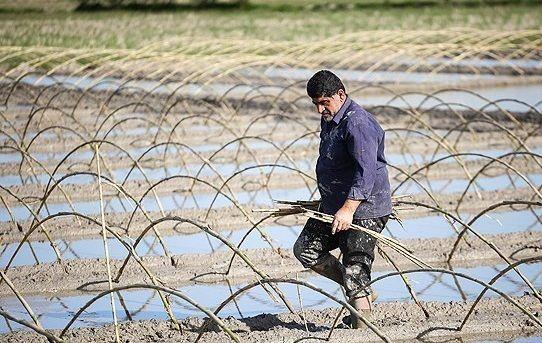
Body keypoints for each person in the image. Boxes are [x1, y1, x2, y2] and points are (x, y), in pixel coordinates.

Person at [293, 70, 392, 329]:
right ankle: (362, 290)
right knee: (305, 249)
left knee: (355, 268)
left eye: (324, 102)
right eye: (315, 103)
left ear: (341, 94)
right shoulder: (330, 118)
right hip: (334, 206)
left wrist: (348, 208)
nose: (319, 109)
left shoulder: (357, 123)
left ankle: (362, 328)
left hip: (364, 209)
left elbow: (366, 171)